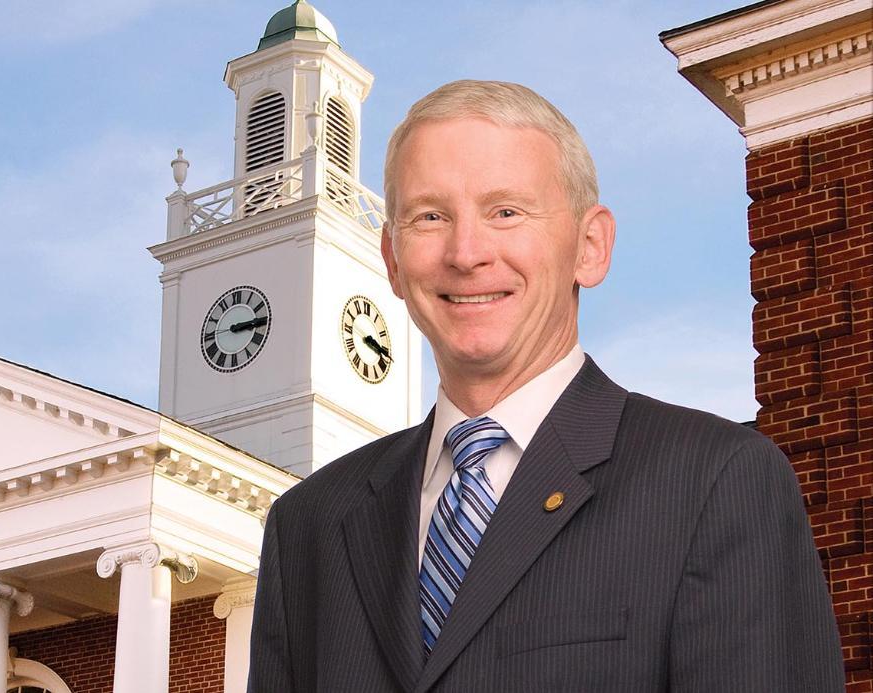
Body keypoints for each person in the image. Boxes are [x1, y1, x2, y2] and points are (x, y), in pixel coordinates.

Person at [247, 80, 843, 692]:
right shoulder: (308, 526)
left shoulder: (715, 480)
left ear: (590, 247)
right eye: (430, 217)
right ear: (393, 259)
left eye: (506, 212)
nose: (466, 253)